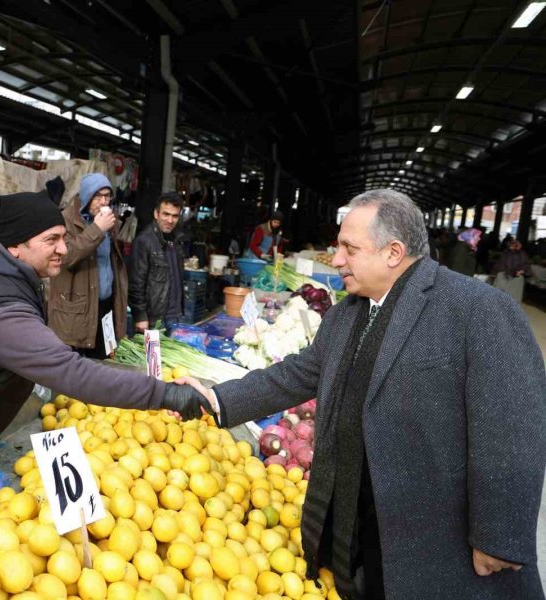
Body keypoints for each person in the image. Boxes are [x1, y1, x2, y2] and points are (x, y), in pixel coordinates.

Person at [187, 189, 545, 600]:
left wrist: (500, 533)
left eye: (349, 249)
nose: (336, 259)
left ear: (393, 252)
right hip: (365, 526)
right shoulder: (347, 313)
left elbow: (513, 424)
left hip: (439, 539)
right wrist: (216, 400)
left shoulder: (475, 309)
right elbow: (294, 375)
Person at [0, 190, 207, 462]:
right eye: (51, 240)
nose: (64, 249)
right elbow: (72, 373)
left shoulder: (1, 271)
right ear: (15, 246)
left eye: (63, 238)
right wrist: (164, 394)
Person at [48, 173, 126, 359]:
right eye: (97, 196)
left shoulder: (108, 222)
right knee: (77, 372)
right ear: (85, 196)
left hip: (105, 308)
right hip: (77, 312)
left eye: (107, 196)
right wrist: (97, 229)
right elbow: (65, 257)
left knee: (104, 364)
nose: (103, 201)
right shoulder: (65, 220)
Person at [129, 192, 185, 332]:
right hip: (154, 319)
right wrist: (140, 316)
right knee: (152, 354)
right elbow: (136, 283)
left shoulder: (177, 241)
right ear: (156, 214)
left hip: (174, 315)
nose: (170, 220)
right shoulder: (144, 241)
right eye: (166, 214)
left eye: (175, 216)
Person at [491, 237, 532, 303]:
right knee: (509, 300)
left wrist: (522, 271)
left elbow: (500, 265)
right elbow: (527, 268)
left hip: (510, 278)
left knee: (500, 299)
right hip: (508, 277)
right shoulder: (520, 254)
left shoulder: (510, 253)